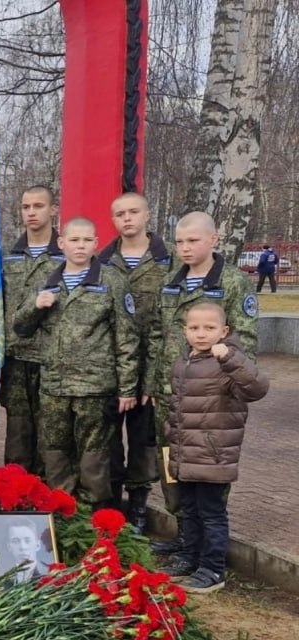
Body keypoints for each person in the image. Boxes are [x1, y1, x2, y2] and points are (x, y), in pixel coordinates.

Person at [146, 211, 258, 558]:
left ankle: (209, 549)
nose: (185, 248)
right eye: (179, 241)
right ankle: (186, 537)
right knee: (172, 468)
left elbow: (246, 342)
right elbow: (157, 335)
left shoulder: (233, 282)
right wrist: (152, 382)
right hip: (170, 396)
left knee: (207, 472)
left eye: (193, 240)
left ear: (213, 240)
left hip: (210, 399)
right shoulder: (171, 280)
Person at [13, 217, 139, 505]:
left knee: (94, 456)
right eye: (74, 240)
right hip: (54, 386)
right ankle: (63, 511)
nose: (80, 246)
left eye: (86, 240)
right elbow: (20, 327)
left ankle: (93, 516)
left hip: (94, 387)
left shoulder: (112, 281)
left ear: (96, 243)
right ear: (62, 243)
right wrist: (35, 306)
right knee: (54, 452)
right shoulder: (47, 280)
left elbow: (127, 338)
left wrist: (127, 388)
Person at [163, 303, 269, 593]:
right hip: (185, 455)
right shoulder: (183, 361)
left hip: (212, 456)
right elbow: (177, 407)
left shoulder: (228, 363)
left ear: (224, 331)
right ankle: (189, 557)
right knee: (189, 510)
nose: (201, 334)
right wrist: (171, 434)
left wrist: (231, 359)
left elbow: (258, 388)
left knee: (211, 514)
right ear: (185, 331)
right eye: (194, 328)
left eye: (209, 328)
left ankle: (212, 569)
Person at [98, 192, 171, 533]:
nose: (127, 218)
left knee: (144, 442)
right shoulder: (101, 261)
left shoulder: (169, 261)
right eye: (119, 213)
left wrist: (155, 377)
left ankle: (139, 508)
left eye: (133, 212)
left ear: (147, 215)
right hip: (108, 367)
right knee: (109, 442)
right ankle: (114, 507)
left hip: (151, 367)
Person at [0, 185, 63, 475]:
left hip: (52, 358)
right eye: (26, 207)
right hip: (16, 357)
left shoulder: (66, 254)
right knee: (18, 432)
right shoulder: (7, 255)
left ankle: (48, 494)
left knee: (51, 433)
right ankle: (15, 492)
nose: (31, 212)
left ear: (53, 209)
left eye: (38, 206)